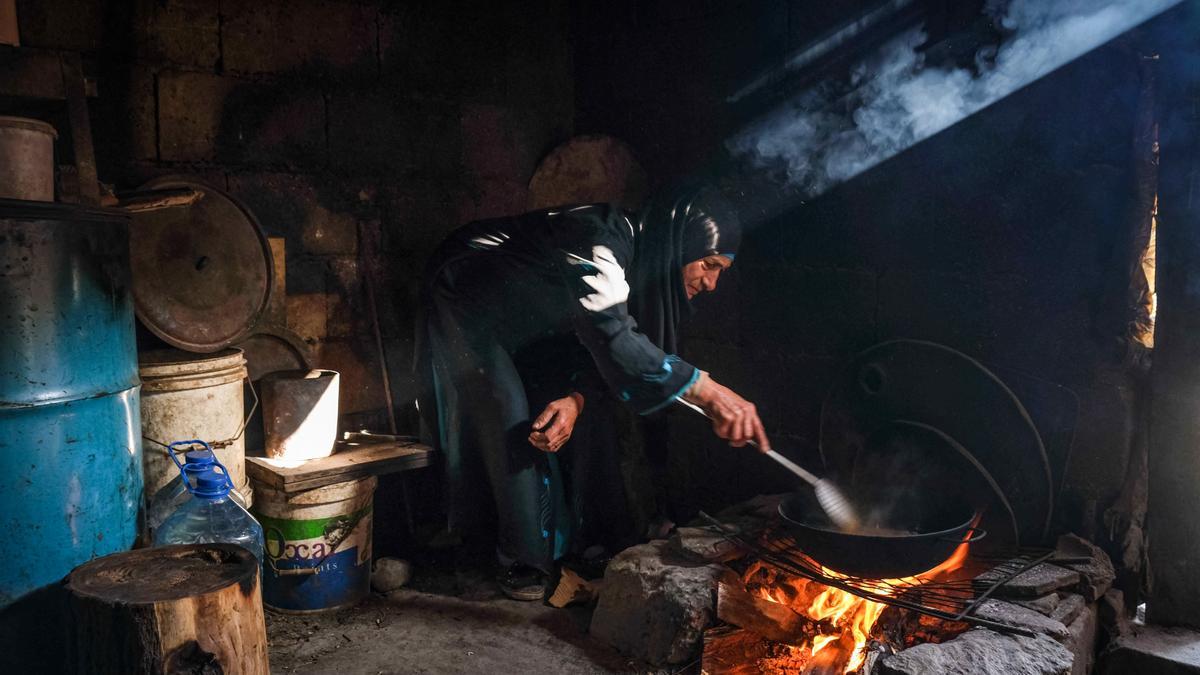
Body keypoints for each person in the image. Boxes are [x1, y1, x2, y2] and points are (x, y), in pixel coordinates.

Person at [416, 186, 769, 600]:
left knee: (569, 413)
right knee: (507, 411)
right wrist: (705, 389)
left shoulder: (645, 272)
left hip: (531, 314)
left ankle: (590, 542)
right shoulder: (599, 239)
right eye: (708, 264)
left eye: (720, 272)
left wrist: (576, 399)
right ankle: (521, 561)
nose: (711, 283)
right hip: (468, 293)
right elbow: (610, 333)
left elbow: (605, 356)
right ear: (679, 245)